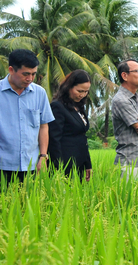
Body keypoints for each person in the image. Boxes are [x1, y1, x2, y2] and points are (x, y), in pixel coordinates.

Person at [0, 49, 54, 184]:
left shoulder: (39, 93)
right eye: (25, 74)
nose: (29, 79)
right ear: (11, 70)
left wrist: (43, 156)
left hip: (31, 165)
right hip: (3, 165)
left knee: (30, 204)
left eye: (33, 74)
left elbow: (43, 126)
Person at [48, 70, 93, 181]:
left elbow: (82, 137)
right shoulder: (57, 106)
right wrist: (58, 168)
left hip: (80, 163)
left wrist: (88, 164)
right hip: (65, 163)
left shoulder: (78, 107)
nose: (82, 95)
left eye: (86, 91)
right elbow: (54, 140)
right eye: (79, 91)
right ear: (68, 87)